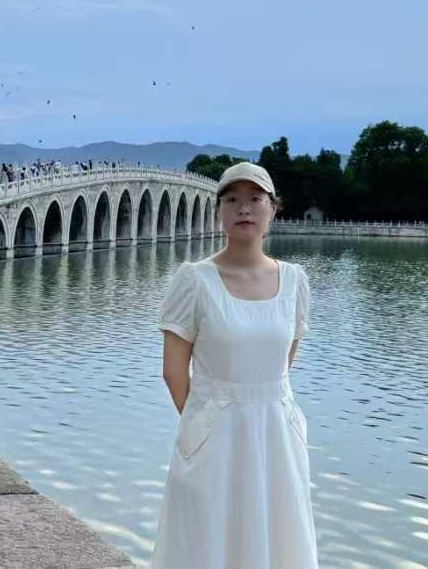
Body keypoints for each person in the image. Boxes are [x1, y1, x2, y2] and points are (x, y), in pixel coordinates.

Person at [151, 162, 317, 568]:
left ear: (272, 208)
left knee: (278, 536)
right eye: (232, 200)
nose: (244, 208)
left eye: (255, 199)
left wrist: (257, 402)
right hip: (214, 432)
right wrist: (209, 418)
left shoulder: (294, 281)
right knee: (207, 537)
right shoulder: (194, 280)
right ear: (219, 212)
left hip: (276, 433)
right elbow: (174, 372)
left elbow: (282, 362)